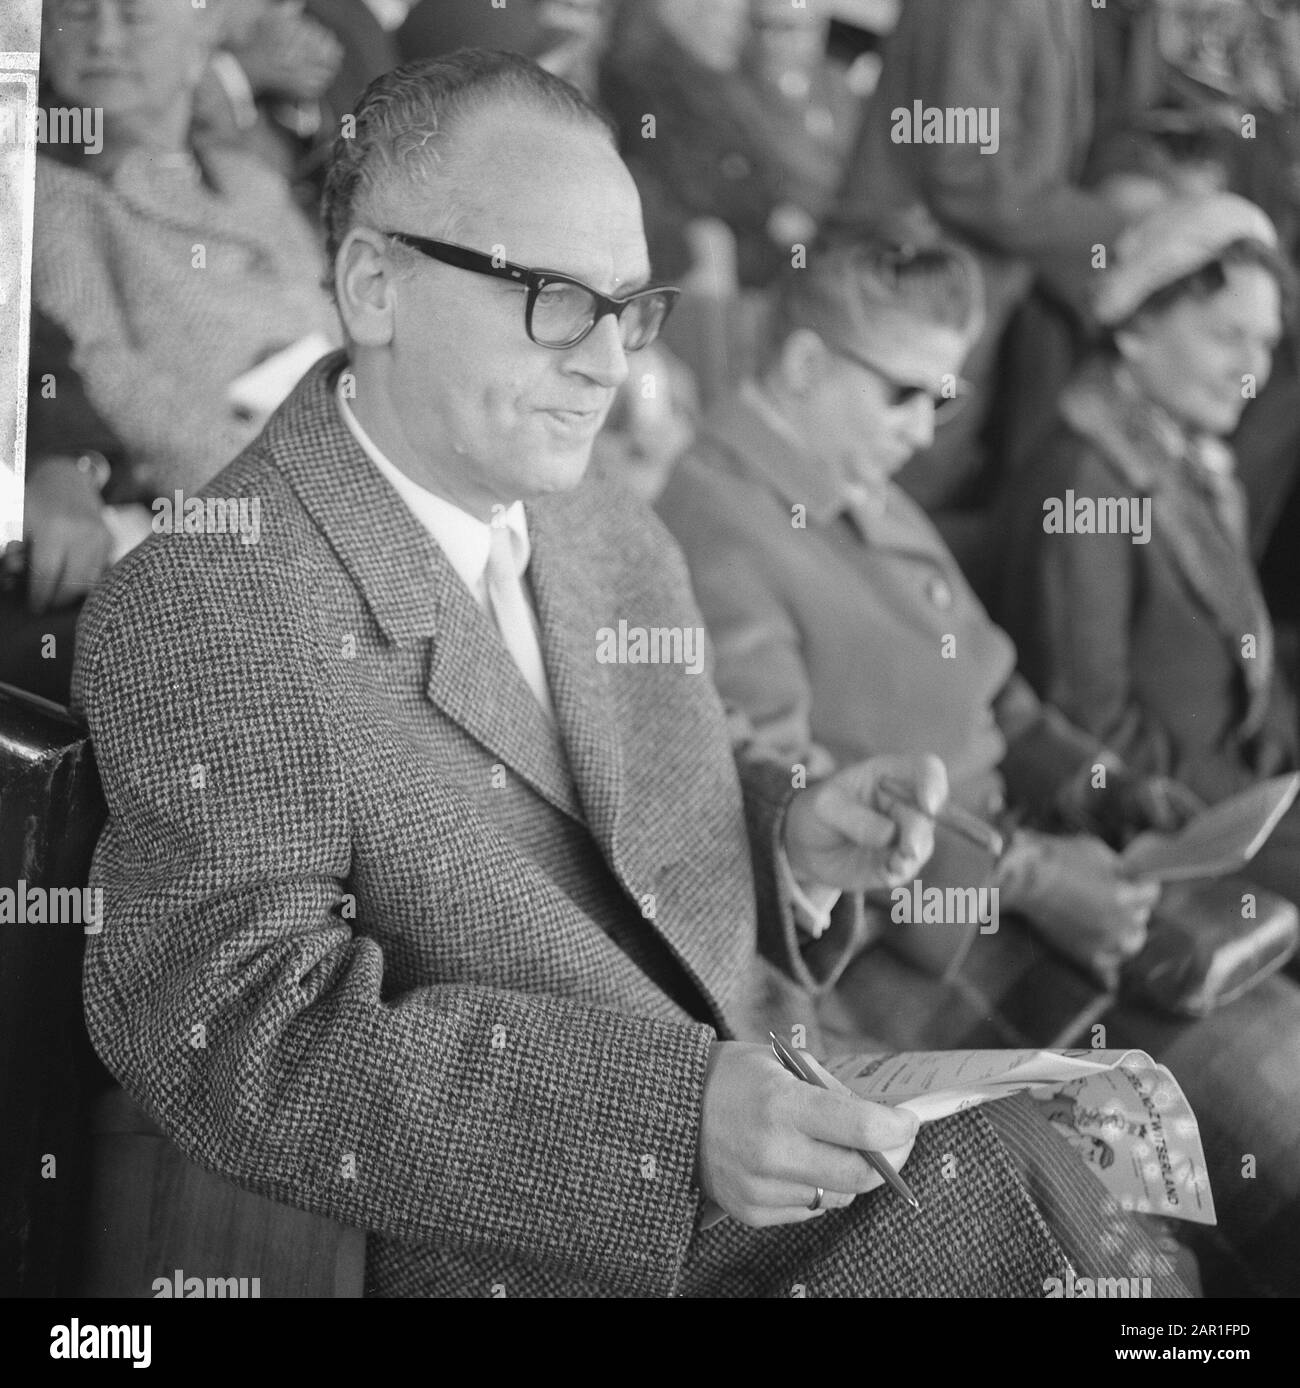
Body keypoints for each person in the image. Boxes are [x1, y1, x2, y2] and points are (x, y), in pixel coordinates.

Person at [73, 49, 1191, 1298]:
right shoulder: (211, 595)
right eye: (554, 296)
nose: (608, 362)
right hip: (556, 1231)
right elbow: (228, 1029)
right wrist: (665, 1127)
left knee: (1104, 1183)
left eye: (627, 306)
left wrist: (783, 835)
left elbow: (641, 819)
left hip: (776, 1090)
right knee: (1056, 1227)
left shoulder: (602, 522)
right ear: (372, 282)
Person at [656, 228, 1300, 1295]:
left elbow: (1000, 686)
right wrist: (1040, 879)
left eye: (943, 399)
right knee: (1235, 1146)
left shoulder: (847, 471)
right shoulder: (710, 528)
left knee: (1272, 1082)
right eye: (907, 394)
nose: (924, 432)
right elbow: (795, 815)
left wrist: (1113, 786)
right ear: (808, 364)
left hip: (1015, 881)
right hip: (924, 959)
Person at [1000, 192, 1300, 911]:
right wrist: (1265, 802)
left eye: (1265, 344)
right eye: (1228, 337)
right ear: (1134, 329)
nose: (1251, 371)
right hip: (1162, 832)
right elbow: (1092, 733)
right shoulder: (1085, 482)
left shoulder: (1187, 456)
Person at [33, 0, 338, 498]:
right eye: (80, 13)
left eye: (134, 18)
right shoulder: (54, 194)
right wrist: (268, 482)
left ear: (200, 42)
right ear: (47, 40)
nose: (104, 40)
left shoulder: (253, 178)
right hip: (240, 491)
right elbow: (104, 374)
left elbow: (337, 319)